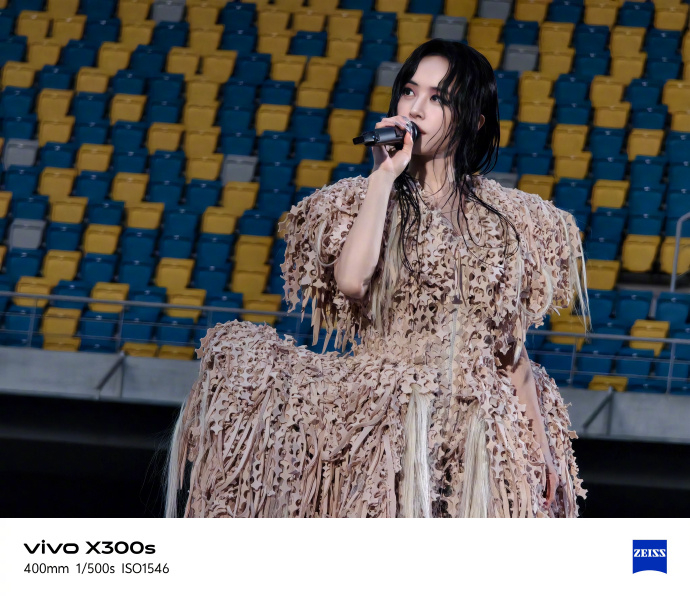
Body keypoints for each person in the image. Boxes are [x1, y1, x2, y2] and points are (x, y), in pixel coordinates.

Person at [165, 39, 590, 518]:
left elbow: (511, 350)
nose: (415, 108)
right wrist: (383, 178)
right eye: (409, 91)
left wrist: (540, 446)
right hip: (392, 422)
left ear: (474, 120)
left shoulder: (512, 218)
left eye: (438, 98)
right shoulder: (364, 198)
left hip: (481, 435)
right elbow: (351, 282)